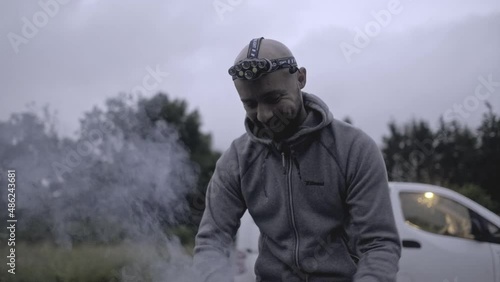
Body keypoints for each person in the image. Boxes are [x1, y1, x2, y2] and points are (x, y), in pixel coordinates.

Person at [193, 37, 401, 282]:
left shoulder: (354, 149)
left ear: (300, 78)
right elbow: (211, 242)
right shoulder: (237, 160)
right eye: (250, 104)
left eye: (273, 98)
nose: (263, 115)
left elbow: (379, 245)